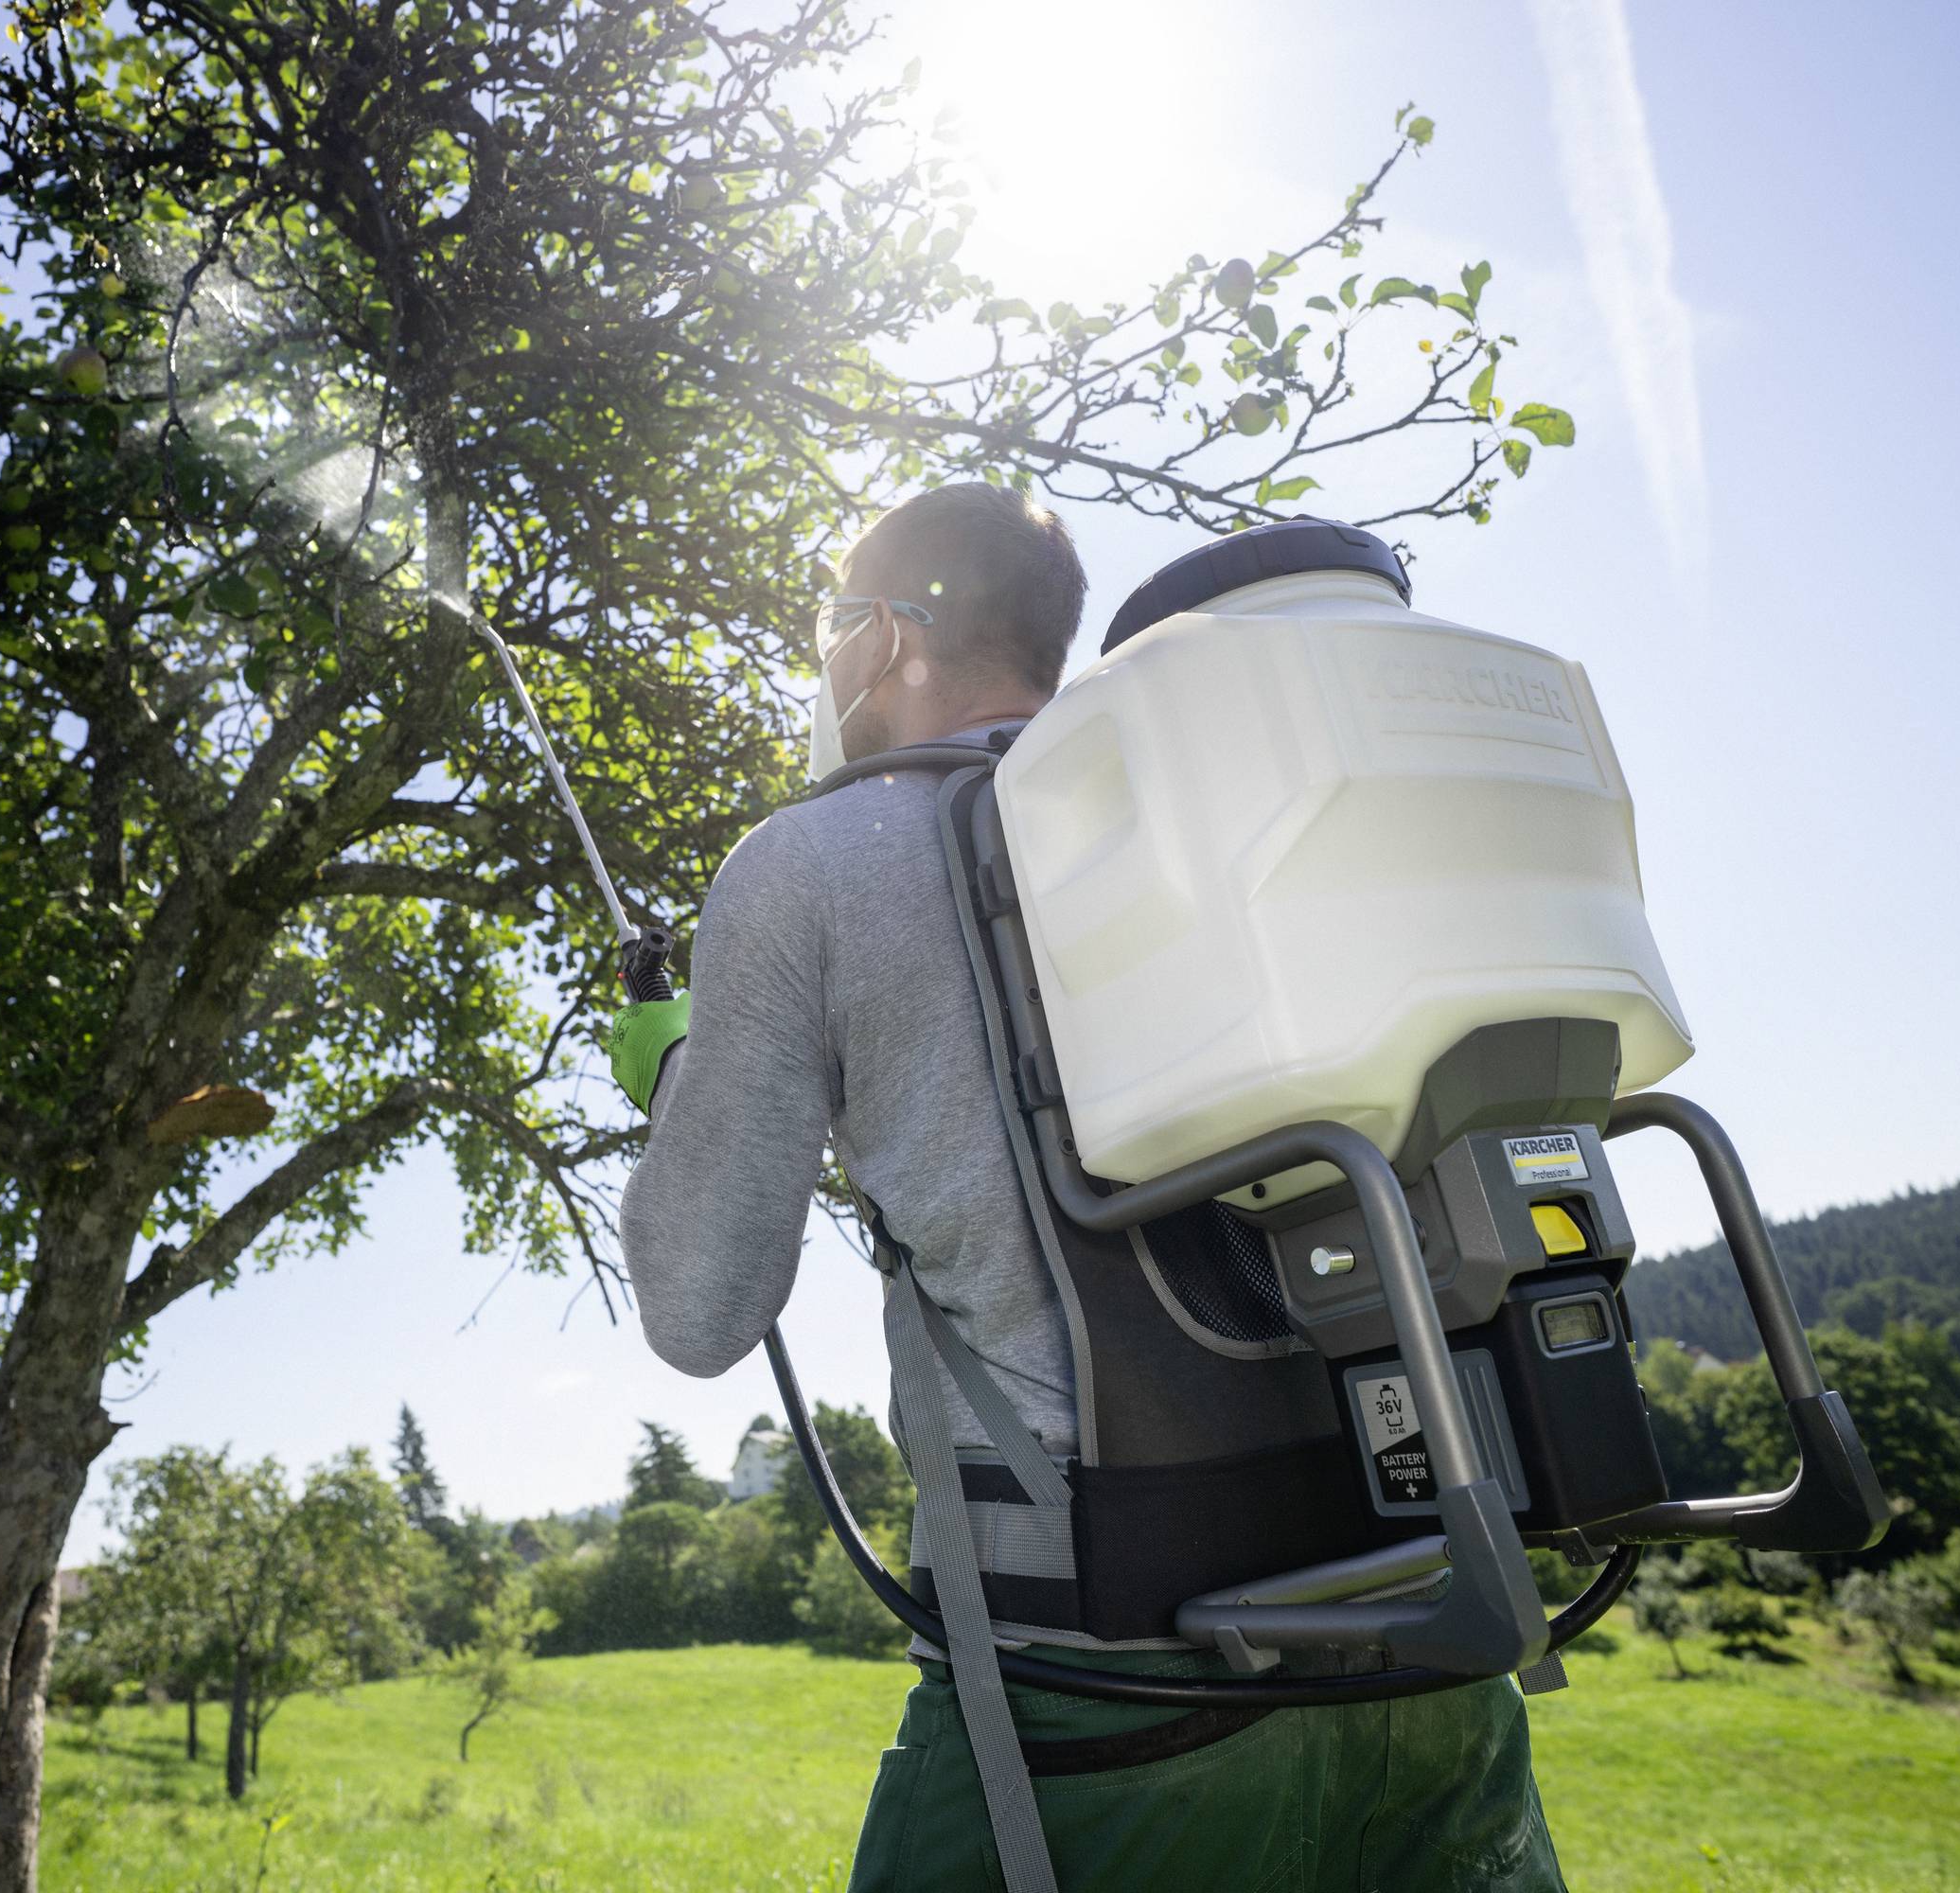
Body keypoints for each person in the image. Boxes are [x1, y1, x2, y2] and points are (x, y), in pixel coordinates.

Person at [611, 483, 1566, 1891]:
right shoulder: (1217, 819)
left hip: (1105, 1696)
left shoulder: (808, 864)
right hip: (1427, 1634)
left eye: (833, 633)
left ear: (883, 638)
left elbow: (701, 1309)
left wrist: (683, 1078)